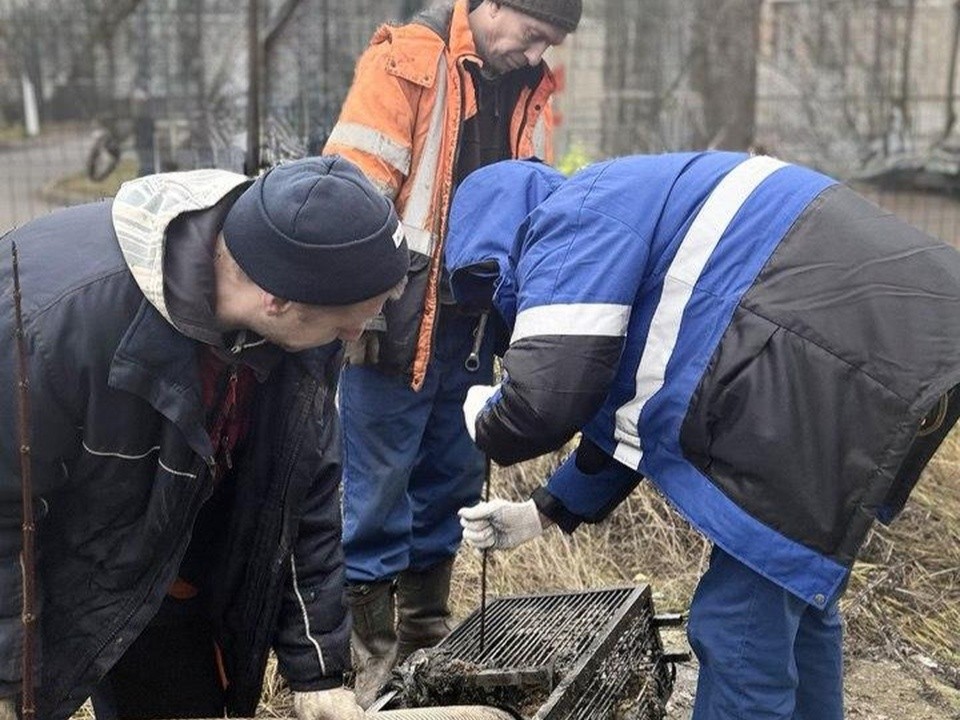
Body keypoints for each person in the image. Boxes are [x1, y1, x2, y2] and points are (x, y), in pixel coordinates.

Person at [445, 154, 960, 720]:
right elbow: (633, 414)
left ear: (496, 239)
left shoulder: (574, 214)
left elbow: (543, 400)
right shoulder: (630, 217)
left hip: (818, 371)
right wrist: (541, 512)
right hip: (885, 353)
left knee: (740, 630)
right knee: (795, 600)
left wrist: (488, 416)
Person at [0, 156, 410, 720]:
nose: (355, 335)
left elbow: (301, 490)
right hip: (54, 554)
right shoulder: (49, 325)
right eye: (345, 322)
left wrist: (316, 668)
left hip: (167, 568)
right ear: (278, 299)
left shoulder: (298, 319)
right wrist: (9, 675)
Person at [322, 0, 581, 706]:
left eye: (550, 45)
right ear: (493, 5)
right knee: (374, 498)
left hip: (473, 333)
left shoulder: (530, 87)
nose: (536, 55)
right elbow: (351, 195)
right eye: (533, 36)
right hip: (392, 327)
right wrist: (356, 311)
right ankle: (366, 666)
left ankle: (427, 645)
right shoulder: (406, 62)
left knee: (450, 486)